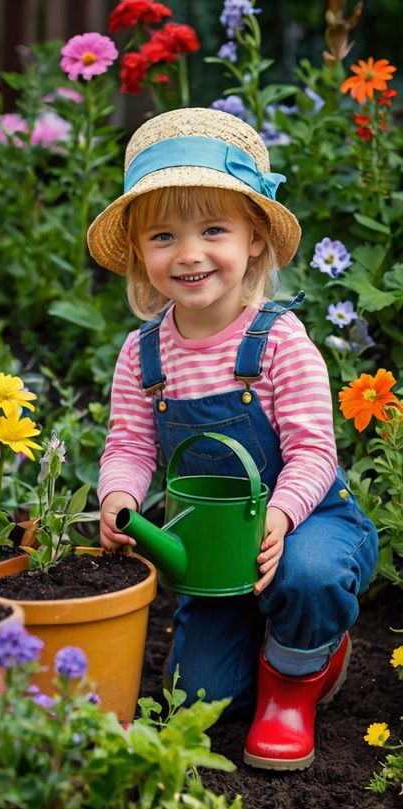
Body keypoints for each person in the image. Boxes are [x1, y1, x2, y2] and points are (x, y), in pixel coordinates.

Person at [87, 107, 378, 771]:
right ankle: (267, 638)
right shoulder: (142, 357)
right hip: (214, 552)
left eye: (212, 229)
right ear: (139, 251)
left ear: (253, 239)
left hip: (305, 525)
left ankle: (302, 670)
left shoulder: (279, 341)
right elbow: (129, 445)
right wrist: (118, 498)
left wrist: (278, 516)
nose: (188, 253)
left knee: (307, 575)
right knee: (197, 703)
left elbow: (313, 453)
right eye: (163, 236)